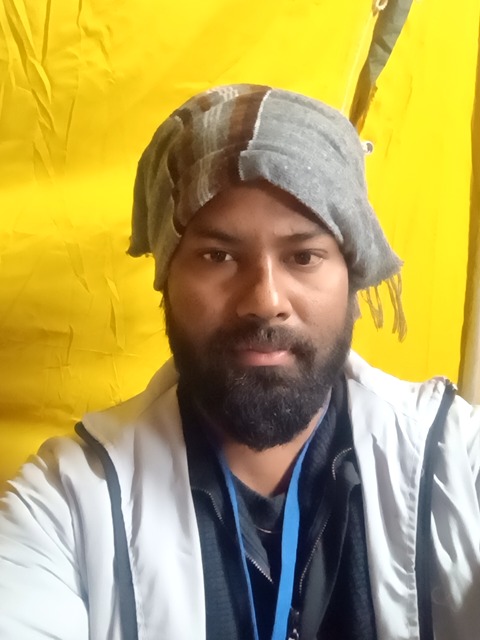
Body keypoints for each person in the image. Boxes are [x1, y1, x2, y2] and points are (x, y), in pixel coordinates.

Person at [0, 84, 479, 640]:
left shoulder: (456, 460)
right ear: (166, 278)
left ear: (351, 276)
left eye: (304, 256)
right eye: (218, 255)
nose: (265, 300)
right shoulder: (68, 504)